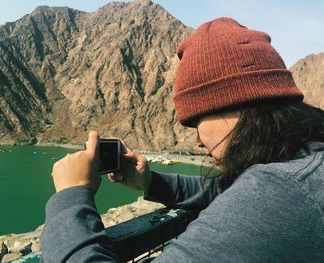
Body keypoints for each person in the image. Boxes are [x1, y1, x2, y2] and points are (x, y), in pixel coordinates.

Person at [41, 17, 324, 262]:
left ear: (235, 104)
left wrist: (71, 197)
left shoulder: (277, 193)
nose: (198, 141)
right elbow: (228, 192)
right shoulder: (302, 168)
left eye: (195, 121)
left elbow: (255, 200)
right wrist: (151, 182)